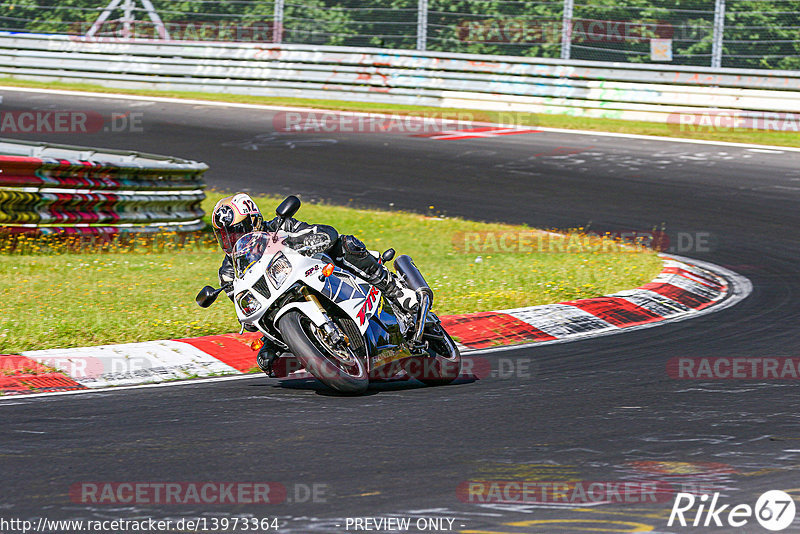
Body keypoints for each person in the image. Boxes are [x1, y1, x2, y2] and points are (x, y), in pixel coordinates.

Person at [210, 193, 416, 376]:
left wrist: (303, 241)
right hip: (275, 309)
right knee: (269, 363)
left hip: (316, 276)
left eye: (236, 232)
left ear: (253, 221)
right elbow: (246, 311)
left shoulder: (280, 227)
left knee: (346, 245)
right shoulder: (228, 272)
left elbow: (326, 234)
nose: (232, 240)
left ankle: (396, 290)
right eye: (225, 236)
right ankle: (318, 349)